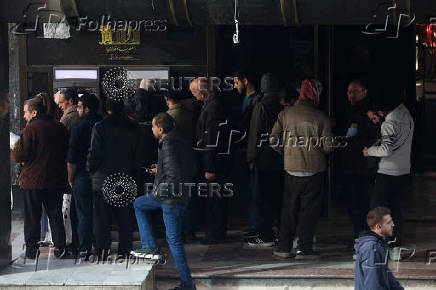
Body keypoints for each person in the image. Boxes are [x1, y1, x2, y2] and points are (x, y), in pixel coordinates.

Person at [132, 112, 196, 290]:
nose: (151, 129)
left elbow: (174, 177)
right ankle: (150, 246)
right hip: (181, 195)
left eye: (153, 126)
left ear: (160, 129)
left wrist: (159, 194)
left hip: (170, 199)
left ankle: (187, 283)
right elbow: (185, 167)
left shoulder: (168, 144)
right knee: (138, 204)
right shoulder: (180, 140)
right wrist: (159, 169)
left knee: (174, 241)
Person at [270, 79, 333, 259]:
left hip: (291, 169)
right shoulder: (321, 117)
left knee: (288, 210)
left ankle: (283, 247)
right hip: (314, 171)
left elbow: (273, 139)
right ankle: (304, 248)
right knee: (309, 211)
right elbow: (328, 147)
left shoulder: (285, 114)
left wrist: (287, 152)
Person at [11, 97, 68, 259]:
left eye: (25, 112)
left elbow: (18, 156)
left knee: (32, 217)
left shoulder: (30, 130)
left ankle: (31, 251)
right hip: (55, 179)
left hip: (33, 181)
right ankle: (60, 248)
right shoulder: (60, 127)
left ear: (34, 112)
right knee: (55, 215)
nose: (23, 116)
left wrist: (14, 146)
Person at [87, 98, 141, 258]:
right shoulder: (133, 128)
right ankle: (124, 252)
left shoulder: (100, 127)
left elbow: (94, 153)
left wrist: (90, 169)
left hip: (102, 180)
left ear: (107, 109)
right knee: (125, 219)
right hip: (125, 178)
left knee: (102, 220)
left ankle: (103, 251)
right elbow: (137, 156)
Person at [363, 93, 414, 260]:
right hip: (404, 171)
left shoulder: (389, 123)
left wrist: (369, 151)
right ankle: (395, 248)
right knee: (396, 211)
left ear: (383, 111)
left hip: (387, 173)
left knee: (376, 211)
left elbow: (386, 150)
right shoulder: (407, 117)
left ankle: (373, 248)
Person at [190, 78, 231, 244]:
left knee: (215, 200)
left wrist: (210, 167)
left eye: (194, 93)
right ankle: (216, 232)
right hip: (215, 160)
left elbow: (213, 139)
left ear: (203, 92)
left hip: (215, 163)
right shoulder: (213, 104)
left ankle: (216, 233)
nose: (193, 96)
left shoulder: (213, 108)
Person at [246, 73, 284, 246]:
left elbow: (255, 134)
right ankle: (281, 232)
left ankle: (265, 234)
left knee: (263, 199)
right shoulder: (283, 105)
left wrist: (251, 158)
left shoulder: (261, 106)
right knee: (279, 198)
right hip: (283, 158)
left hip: (264, 160)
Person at [341, 79, 380, 243]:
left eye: (355, 91)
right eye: (349, 92)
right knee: (353, 202)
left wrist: (354, 143)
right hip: (351, 165)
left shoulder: (369, 112)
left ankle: (364, 234)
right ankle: (359, 233)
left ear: (364, 92)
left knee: (362, 201)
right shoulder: (350, 111)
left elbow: (374, 137)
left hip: (364, 166)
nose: (351, 95)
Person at [67, 93, 101, 258]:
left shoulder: (78, 129)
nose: (77, 109)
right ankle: (102, 246)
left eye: (79, 106)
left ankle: (85, 249)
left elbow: (71, 158)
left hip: (82, 174)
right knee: (102, 212)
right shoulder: (103, 125)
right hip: (102, 175)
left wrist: (70, 177)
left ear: (87, 109)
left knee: (84, 213)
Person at [233, 69, 261, 239]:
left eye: (237, 81)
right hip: (245, 150)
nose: (235, 85)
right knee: (249, 191)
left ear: (246, 81)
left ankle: (258, 225)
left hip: (251, 152)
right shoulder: (246, 99)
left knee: (254, 191)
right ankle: (255, 224)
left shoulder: (256, 101)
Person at [354, 207, 404, 290]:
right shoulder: (372, 249)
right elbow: (373, 284)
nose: (393, 225)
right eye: (389, 223)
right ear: (378, 226)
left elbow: (388, 277)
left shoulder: (378, 245)